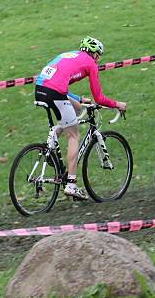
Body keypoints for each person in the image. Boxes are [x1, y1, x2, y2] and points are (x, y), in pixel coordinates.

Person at [34, 36, 127, 200]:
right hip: (55, 92)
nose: (98, 59)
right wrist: (116, 104)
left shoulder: (69, 55)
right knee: (74, 135)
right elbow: (99, 98)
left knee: (76, 108)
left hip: (41, 88)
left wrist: (79, 99)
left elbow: (57, 81)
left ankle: (54, 137)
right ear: (94, 54)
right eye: (98, 55)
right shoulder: (91, 64)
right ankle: (71, 184)